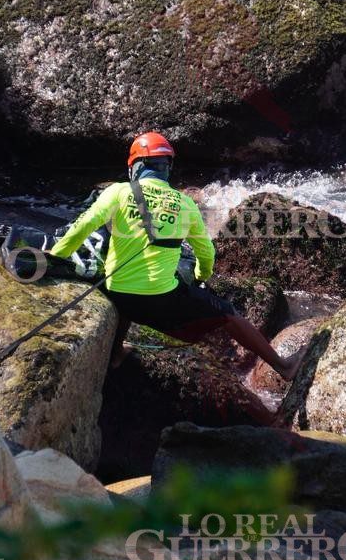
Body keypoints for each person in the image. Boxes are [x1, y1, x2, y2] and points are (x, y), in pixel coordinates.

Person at [47, 132, 304, 380]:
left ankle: (115, 354)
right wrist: (200, 277)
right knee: (227, 313)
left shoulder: (118, 192)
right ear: (166, 167)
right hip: (161, 301)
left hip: (117, 293)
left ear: (135, 166)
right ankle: (284, 366)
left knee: (126, 291)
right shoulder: (185, 204)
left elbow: (82, 227)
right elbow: (206, 252)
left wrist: (55, 257)